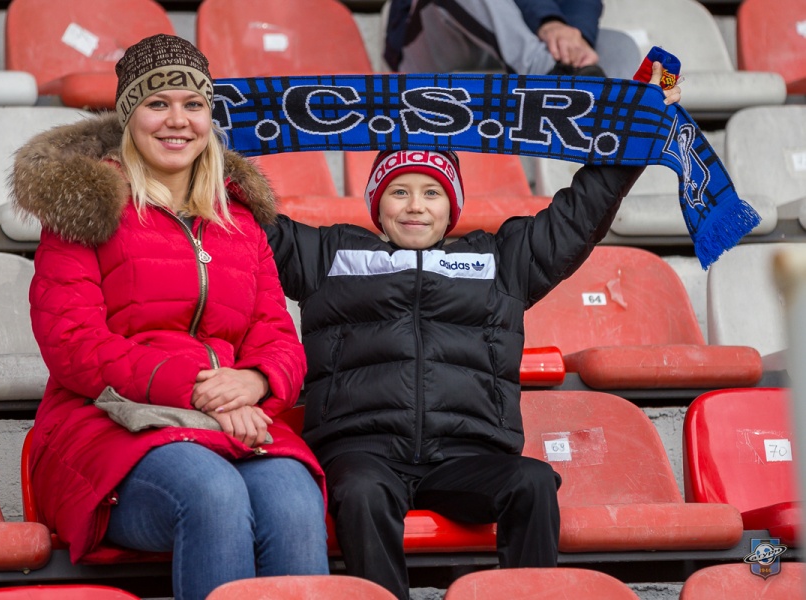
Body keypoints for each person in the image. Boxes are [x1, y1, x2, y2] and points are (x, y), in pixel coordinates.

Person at [250, 65, 681, 600]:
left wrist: (634, 121)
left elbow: (578, 216)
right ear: (377, 203)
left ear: (451, 205)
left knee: (532, 481)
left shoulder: (499, 261)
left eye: (431, 192)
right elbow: (243, 219)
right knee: (361, 493)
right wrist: (202, 154)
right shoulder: (327, 255)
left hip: (467, 457)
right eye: (399, 191)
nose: (415, 205)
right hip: (362, 453)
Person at [9, 34, 328, 600]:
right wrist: (203, 389)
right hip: (107, 427)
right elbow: (73, 344)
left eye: (193, 104)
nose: (177, 121)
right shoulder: (87, 210)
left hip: (232, 423)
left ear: (209, 116)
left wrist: (255, 381)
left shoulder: (239, 220)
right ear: (129, 116)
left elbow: (277, 334)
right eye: (157, 103)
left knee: (294, 499)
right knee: (212, 493)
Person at [385, 0, 605, 77]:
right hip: (433, 43)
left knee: (616, 46)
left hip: (524, 35)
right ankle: (548, 76)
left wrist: (577, 39)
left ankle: (571, 71)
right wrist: (549, 21)